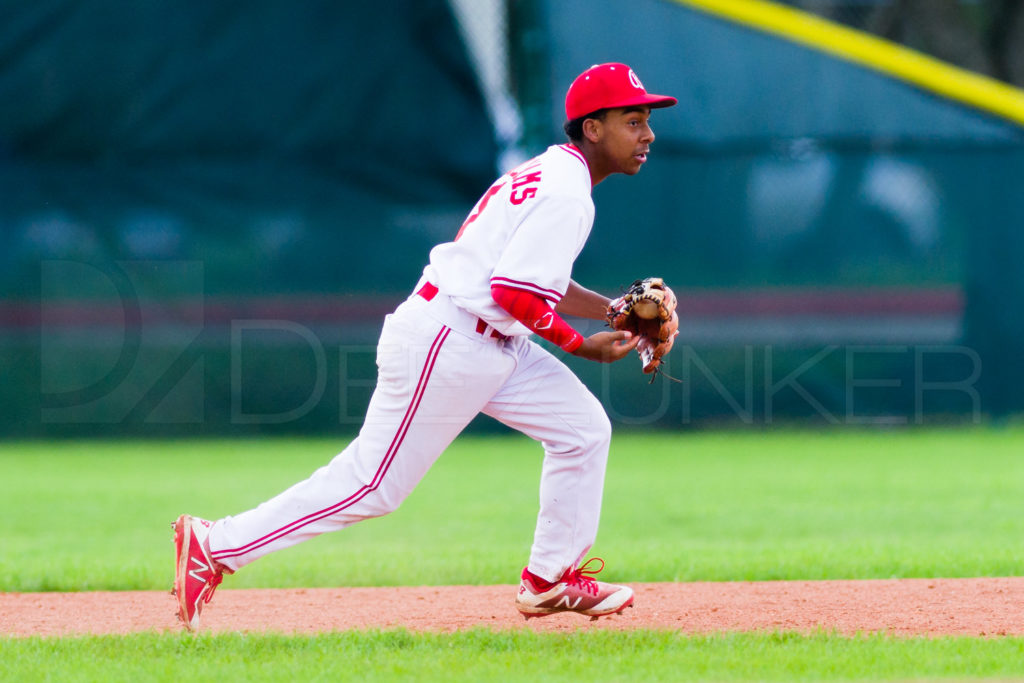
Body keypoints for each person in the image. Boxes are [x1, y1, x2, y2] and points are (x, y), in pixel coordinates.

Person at [173, 62, 677, 631]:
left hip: (490, 339)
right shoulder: (568, 195)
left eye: (647, 122)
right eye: (633, 121)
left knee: (582, 430)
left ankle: (550, 579)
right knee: (373, 485)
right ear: (592, 128)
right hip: (451, 337)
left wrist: (611, 310)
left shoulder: (554, 175)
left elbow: (532, 278)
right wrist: (581, 346)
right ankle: (215, 546)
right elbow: (512, 291)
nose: (648, 134)